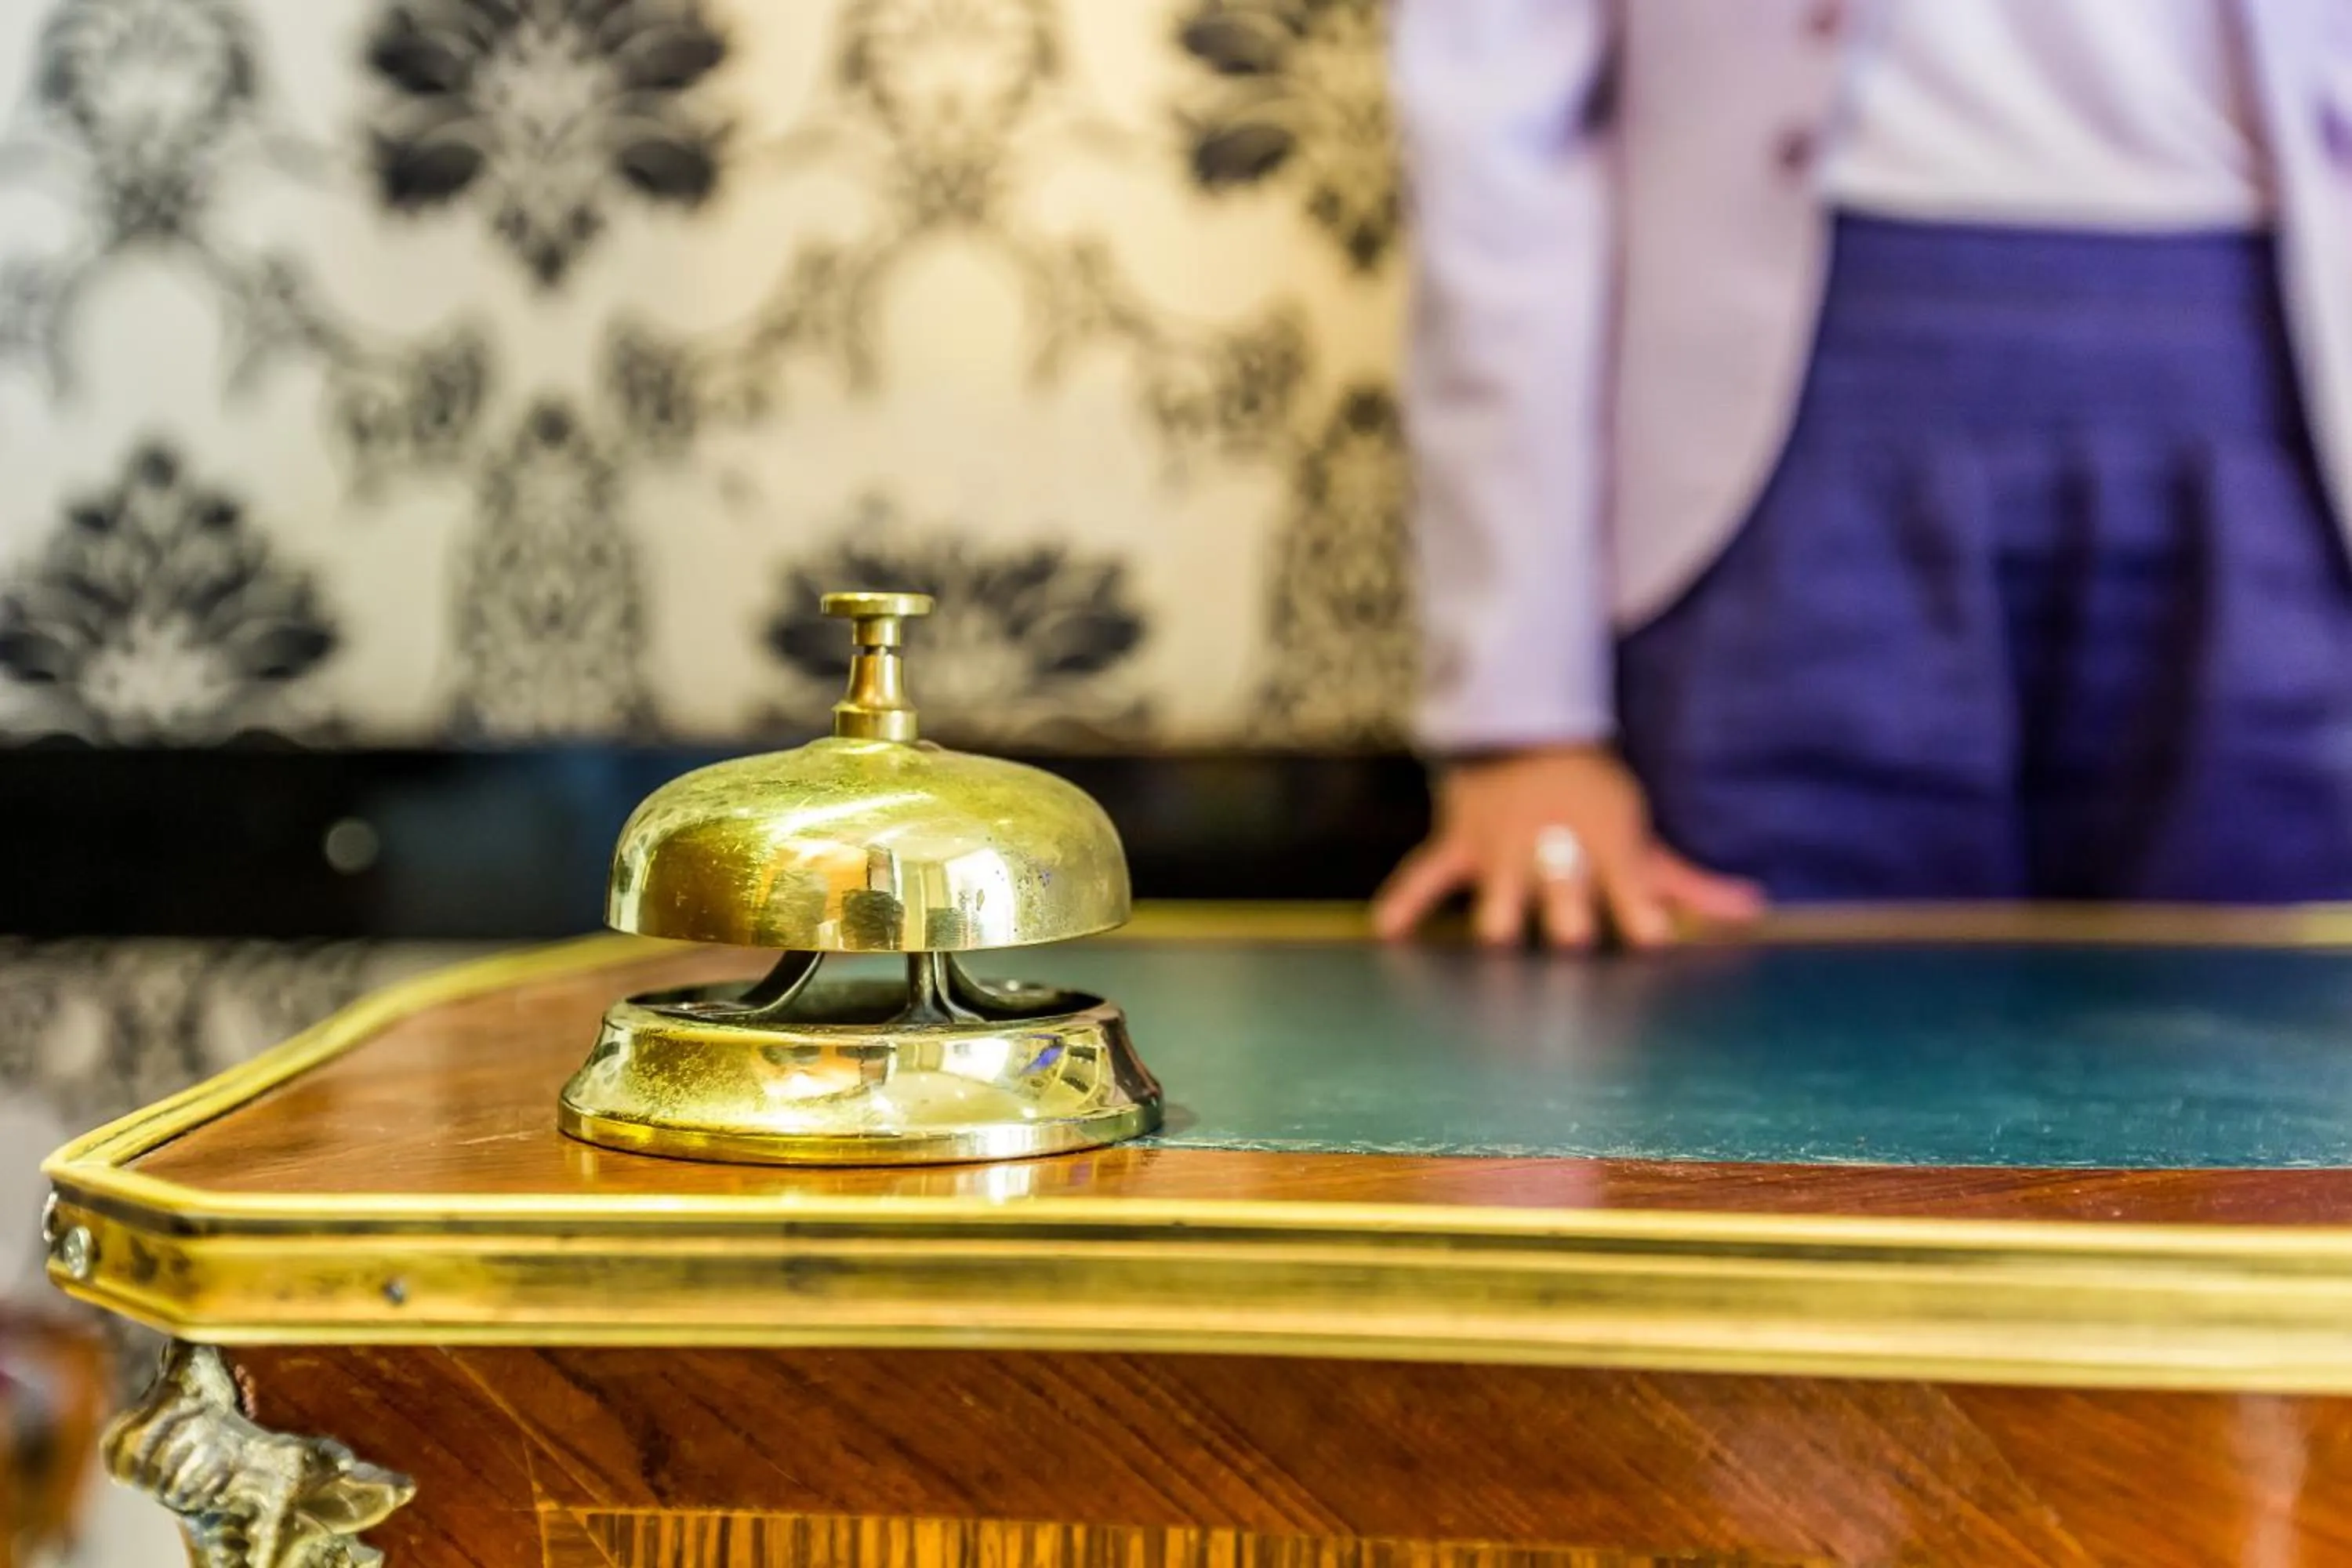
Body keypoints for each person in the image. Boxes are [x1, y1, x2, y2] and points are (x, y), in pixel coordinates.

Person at [1373, 0, 2352, 948]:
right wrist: (1520, 715)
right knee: (1784, 1080)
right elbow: (1495, 115)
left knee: (2264, 1073)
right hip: (1770, 434)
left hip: (2290, 404)